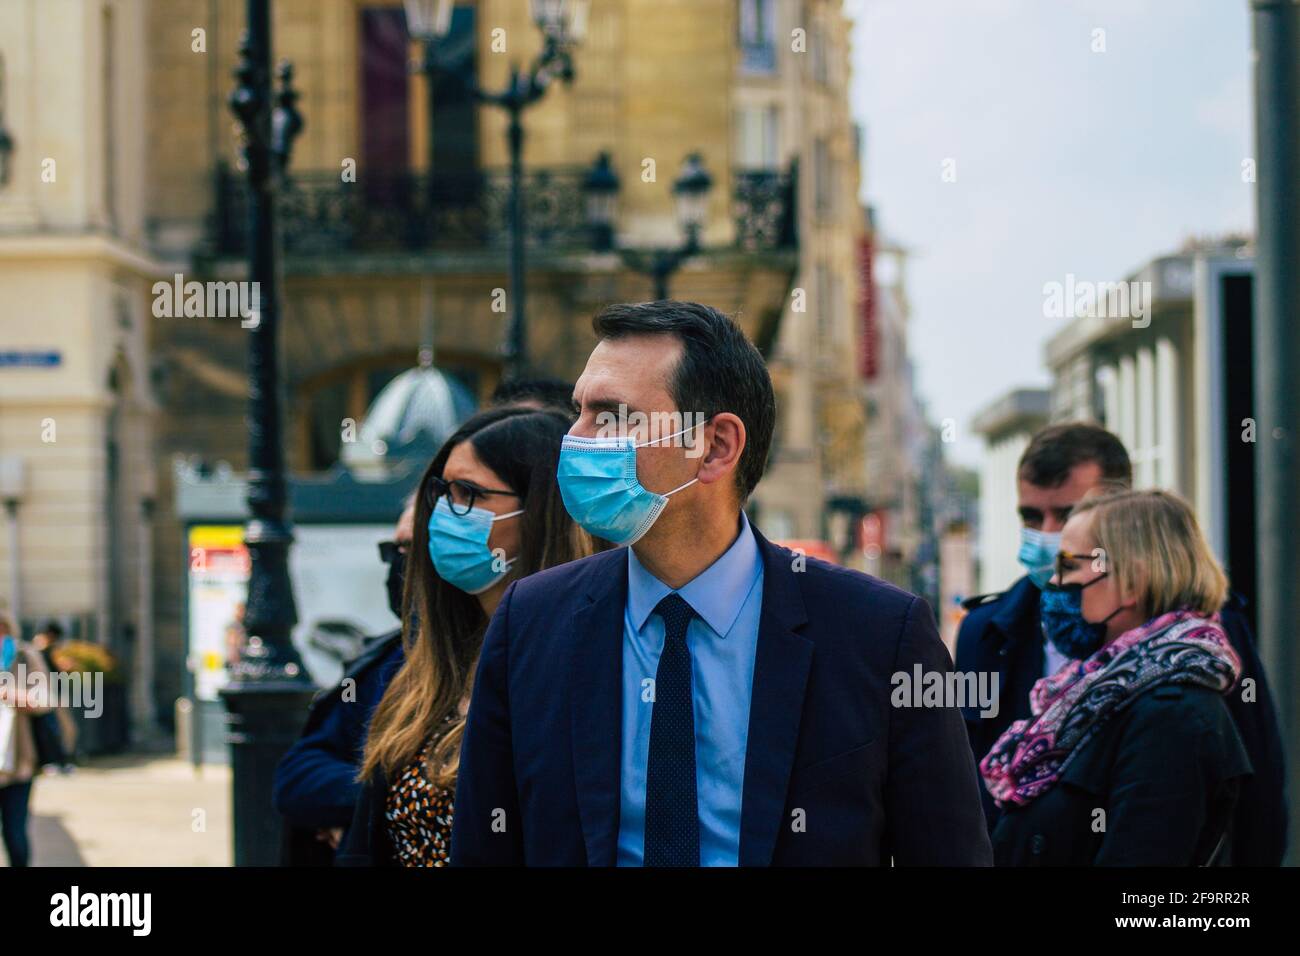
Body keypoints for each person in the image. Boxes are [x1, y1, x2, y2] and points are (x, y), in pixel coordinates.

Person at [451, 300, 992, 866]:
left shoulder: (880, 636)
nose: (577, 438)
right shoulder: (532, 623)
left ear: (715, 446)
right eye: (579, 411)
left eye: (611, 416)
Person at [954, 422, 1287, 864]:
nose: (1053, 572)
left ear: (1131, 573)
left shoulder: (1183, 691)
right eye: (1032, 517)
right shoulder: (993, 631)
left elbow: (1253, 799)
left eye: (1068, 517)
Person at [336, 405, 600, 866]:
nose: (445, 512)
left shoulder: (584, 668)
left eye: (470, 493)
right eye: (443, 491)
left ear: (540, 512)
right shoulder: (431, 664)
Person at [984, 489, 1252, 865]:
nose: (1055, 583)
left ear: (1132, 581)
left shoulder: (1170, 716)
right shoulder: (1099, 692)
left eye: (1070, 566)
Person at [271, 499, 413, 866]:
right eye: (395, 549)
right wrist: (369, 804)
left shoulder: (500, 654)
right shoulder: (388, 659)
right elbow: (297, 776)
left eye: (411, 548)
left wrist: (357, 818)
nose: (399, 562)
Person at [0, 611, 52, 867]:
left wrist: (12, 695)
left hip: (18, 761)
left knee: (14, 832)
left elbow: (46, 699)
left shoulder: (24, 656)